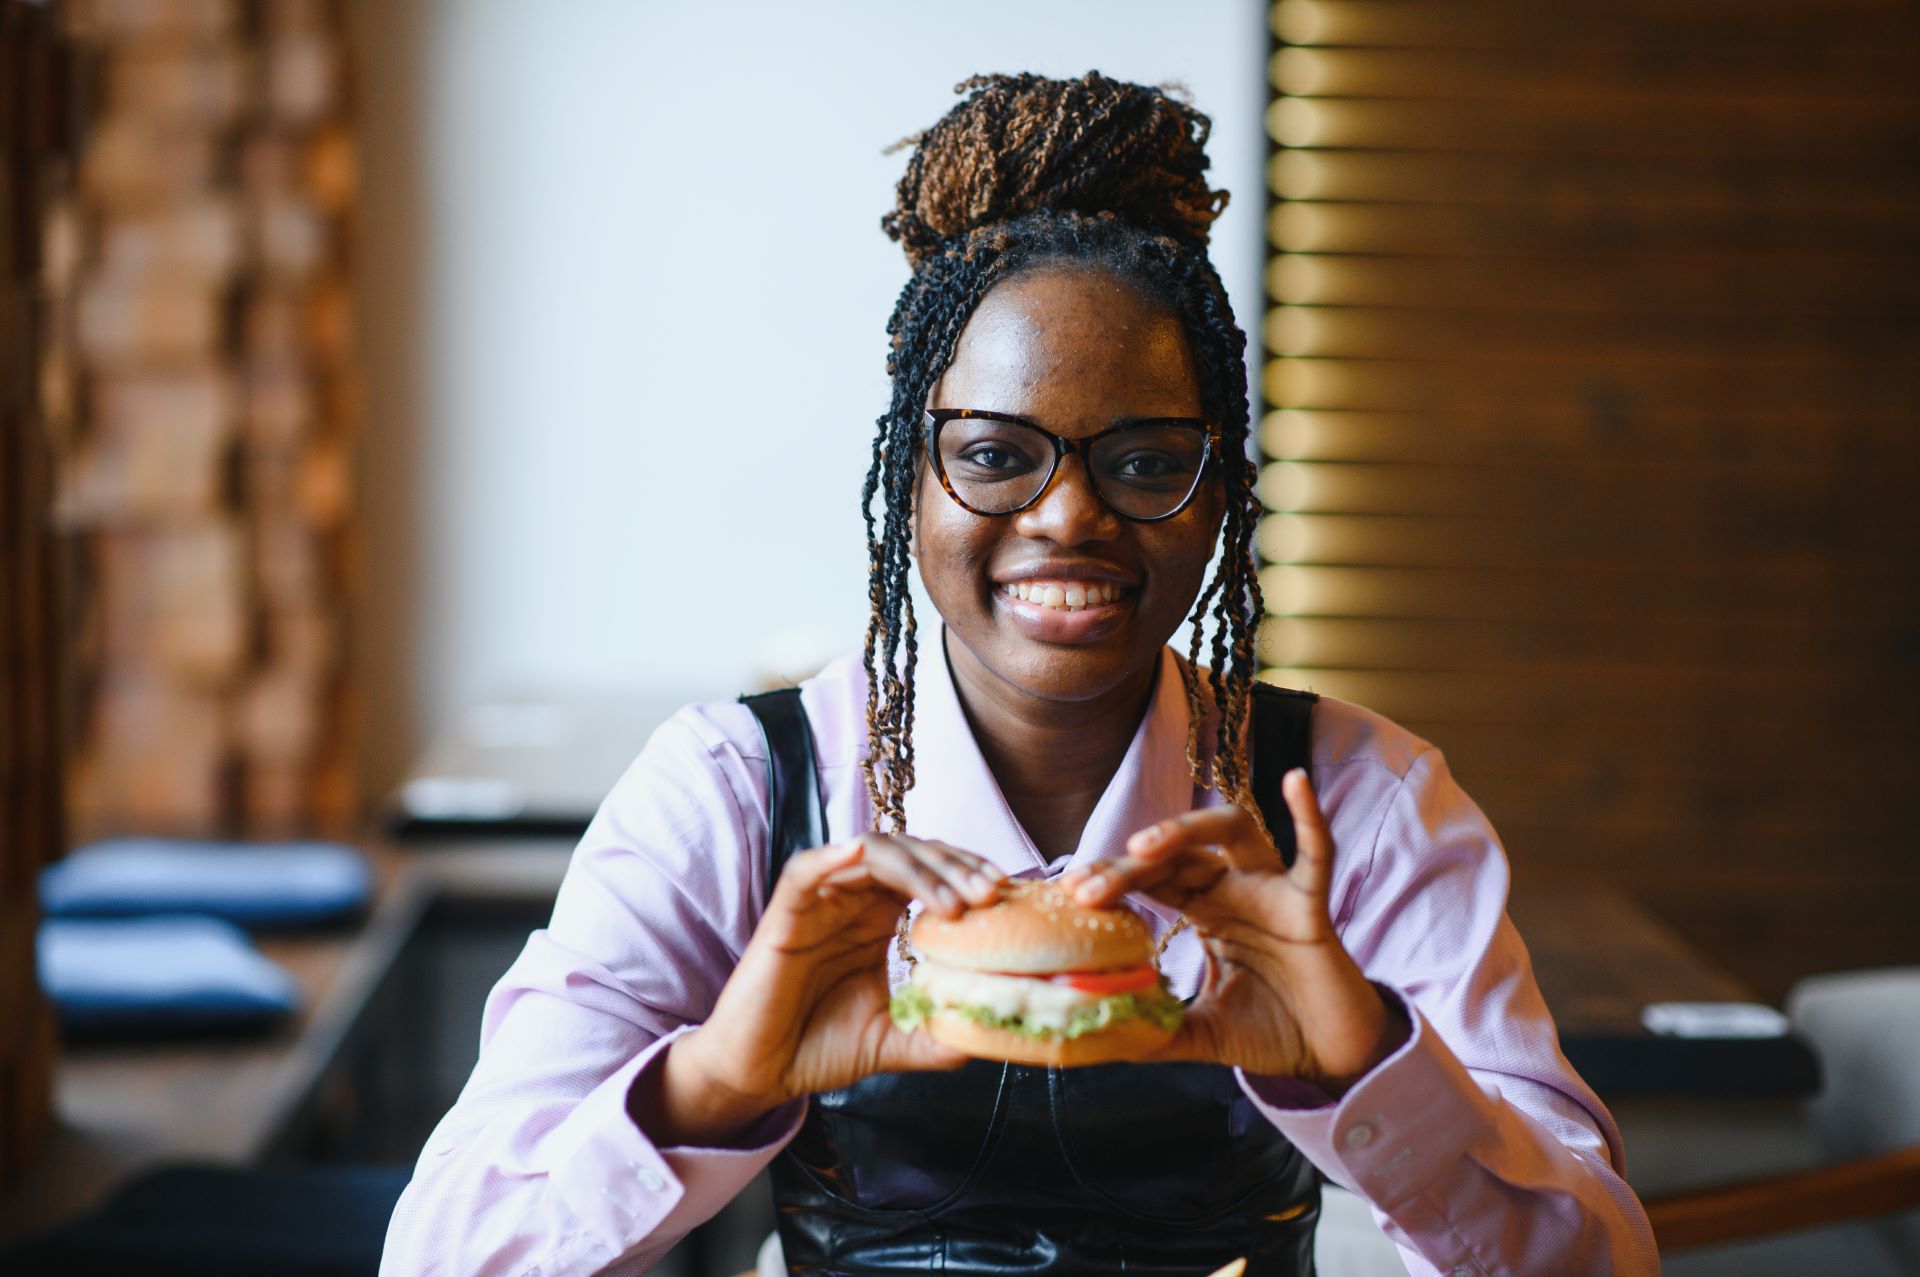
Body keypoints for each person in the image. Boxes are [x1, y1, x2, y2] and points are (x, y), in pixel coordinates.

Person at [381, 72, 1659, 1277]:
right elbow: (441, 1249)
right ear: (910, 479)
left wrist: (1367, 1062)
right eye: (995, 454)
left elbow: (1608, 1252)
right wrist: (714, 1079)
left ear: (1219, 494)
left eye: (1147, 461)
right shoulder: (736, 791)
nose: (1068, 517)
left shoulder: (1354, 806)